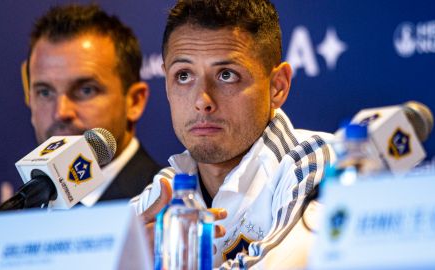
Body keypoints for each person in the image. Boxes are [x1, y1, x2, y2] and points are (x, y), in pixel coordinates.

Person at [131, 0, 335, 268]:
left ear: (278, 86)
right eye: (183, 76)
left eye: (226, 75)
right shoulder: (165, 191)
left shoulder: (318, 161)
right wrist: (126, 254)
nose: (202, 100)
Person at [24, 4, 161, 206]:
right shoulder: (11, 219)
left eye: (85, 90)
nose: (61, 112)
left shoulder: (169, 210)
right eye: (45, 92)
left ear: (134, 101)